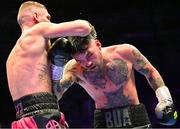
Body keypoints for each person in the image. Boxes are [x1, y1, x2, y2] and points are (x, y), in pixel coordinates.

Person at [49, 24, 178, 128]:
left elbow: (150, 72)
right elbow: (56, 95)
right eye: (80, 60)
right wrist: (57, 67)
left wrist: (165, 99)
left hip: (136, 118)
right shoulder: (74, 68)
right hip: (104, 122)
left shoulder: (125, 52)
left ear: (98, 44)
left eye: (89, 55)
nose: (87, 63)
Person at [6, 1, 92, 128]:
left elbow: (52, 93)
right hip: (43, 115)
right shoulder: (37, 30)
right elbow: (83, 28)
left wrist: (57, 65)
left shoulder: (12, 57)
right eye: (47, 17)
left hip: (22, 120)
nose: (49, 21)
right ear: (35, 16)